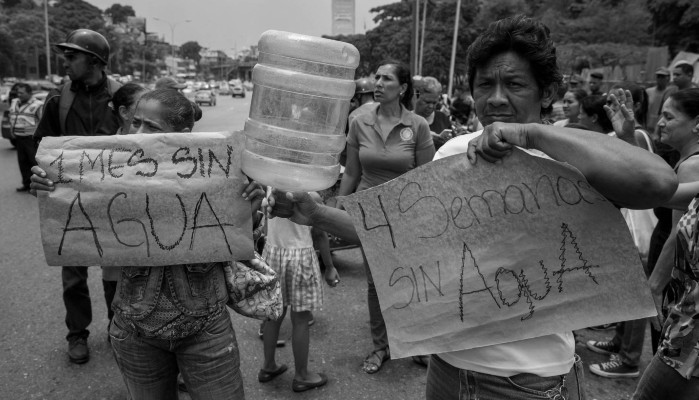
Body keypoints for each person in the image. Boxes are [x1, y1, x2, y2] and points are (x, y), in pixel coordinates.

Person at [266, 15, 677, 400]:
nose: (496, 99)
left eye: (514, 85)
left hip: (531, 381)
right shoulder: (455, 152)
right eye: (485, 85)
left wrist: (530, 134)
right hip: (447, 371)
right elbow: (397, 236)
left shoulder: (574, 158)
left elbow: (659, 183)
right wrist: (314, 213)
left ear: (548, 91)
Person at [32, 88, 262, 399]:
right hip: (134, 330)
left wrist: (250, 205)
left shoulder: (217, 170)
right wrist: (51, 188)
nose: (138, 133)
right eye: (135, 122)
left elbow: (240, 238)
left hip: (206, 332)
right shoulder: (111, 170)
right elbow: (81, 213)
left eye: (151, 128)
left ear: (182, 135)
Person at [337, 59, 435, 374]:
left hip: (406, 217)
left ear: (403, 88)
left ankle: (416, 343)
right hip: (369, 215)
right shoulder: (359, 122)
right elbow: (351, 173)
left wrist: (427, 218)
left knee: (411, 279)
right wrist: (337, 211)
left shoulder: (418, 125)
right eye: (376, 77)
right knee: (375, 283)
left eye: (386, 79)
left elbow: (427, 178)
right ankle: (382, 346)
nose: (378, 83)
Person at [33, 28, 121, 365]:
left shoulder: (122, 97)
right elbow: (41, 149)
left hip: (113, 200)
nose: (65, 62)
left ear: (96, 61)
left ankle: (118, 327)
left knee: (117, 271)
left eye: (73, 57)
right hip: (69, 202)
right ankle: (77, 334)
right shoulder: (58, 100)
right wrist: (38, 175)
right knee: (73, 275)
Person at [631, 88, 699, 400]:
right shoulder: (687, 168)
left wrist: (655, 285)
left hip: (690, 323)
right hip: (685, 309)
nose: (661, 122)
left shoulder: (691, 165)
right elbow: (653, 192)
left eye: (669, 117)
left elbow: (676, 234)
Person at [585, 85, 653, 378]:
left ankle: (629, 359)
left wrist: (626, 134)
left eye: (618, 101)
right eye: (609, 101)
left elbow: (642, 173)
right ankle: (618, 342)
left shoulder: (635, 135)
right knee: (627, 287)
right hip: (625, 221)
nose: (611, 106)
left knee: (637, 292)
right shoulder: (618, 134)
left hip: (638, 226)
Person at [258, 192, 339, 392]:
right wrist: (329, 266)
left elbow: (266, 226)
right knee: (301, 319)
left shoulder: (272, 187)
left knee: (274, 315)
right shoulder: (311, 195)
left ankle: (268, 366)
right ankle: (302, 375)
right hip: (300, 255)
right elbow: (320, 234)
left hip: (273, 252)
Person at [9, 82, 43, 192]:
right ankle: (26, 184)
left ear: (29, 93)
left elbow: (42, 121)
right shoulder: (14, 102)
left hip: (31, 138)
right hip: (19, 138)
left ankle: (39, 186)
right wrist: (11, 130)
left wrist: (40, 138)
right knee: (22, 162)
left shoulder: (37, 104)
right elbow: (12, 116)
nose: (19, 94)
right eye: (18, 92)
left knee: (34, 162)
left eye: (21, 93)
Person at [413, 76, 452, 149]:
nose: (431, 106)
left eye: (434, 103)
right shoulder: (406, 119)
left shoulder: (442, 118)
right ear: (416, 97)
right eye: (427, 102)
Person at [646, 67, 674, 132]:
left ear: (668, 78)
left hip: (663, 127)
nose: (660, 79)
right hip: (648, 127)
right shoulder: (648, 91)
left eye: (663, 76)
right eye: (658, 76)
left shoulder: (670, 93)